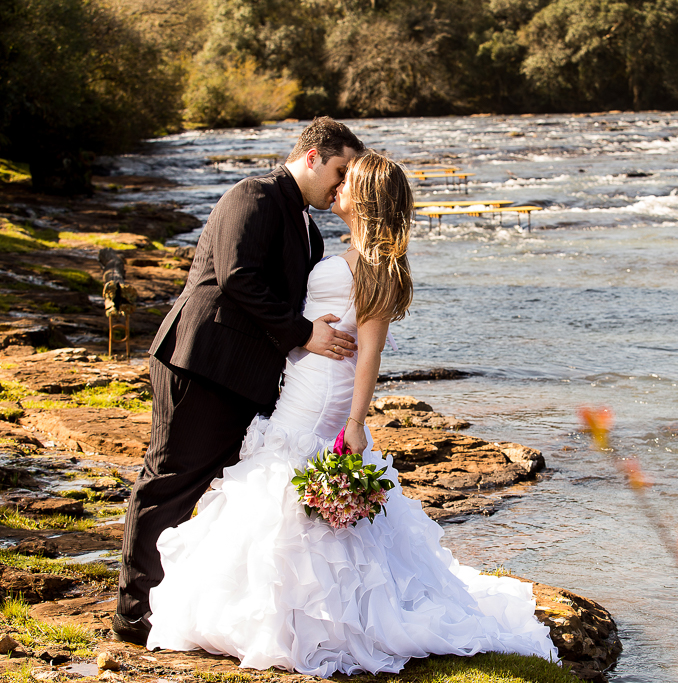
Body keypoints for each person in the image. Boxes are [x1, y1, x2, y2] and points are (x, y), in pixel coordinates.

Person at [144, 151, 558, 675]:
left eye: (348, 181)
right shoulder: (338, 248)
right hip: (304, 380)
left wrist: (356, 422)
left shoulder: (374, 265)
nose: (338, 186)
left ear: (367, 198)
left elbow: (371, 353)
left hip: (322, 394)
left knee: (288, 485)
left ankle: (305, 618)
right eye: (339, 175)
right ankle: (286, 611)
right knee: (281, 488)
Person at [114, 118, 365, 645]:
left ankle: (182, 605)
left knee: (221, 493)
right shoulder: (254, 194)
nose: (342, 185)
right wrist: (305, 334)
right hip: (202, 362)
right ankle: (133, 614)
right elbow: (236, 276)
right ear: (313, 157)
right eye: (340, 171)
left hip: (246, 378)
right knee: (169, 484)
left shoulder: (309, 229)